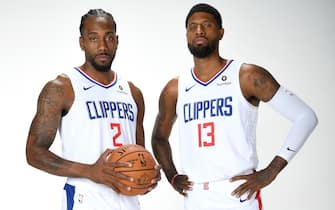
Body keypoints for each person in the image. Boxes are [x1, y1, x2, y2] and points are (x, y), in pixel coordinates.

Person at [151, 3, 318, 210]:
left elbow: (305, 117)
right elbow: (159, 138)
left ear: (220, 32)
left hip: (238, 195)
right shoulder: (175, 88)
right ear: (186, 34)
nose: (199, 31)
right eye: (192, 26)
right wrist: (172, 176)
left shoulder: (247, 76)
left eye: (207, 25)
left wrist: (272, 170)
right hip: (196, 198)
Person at [26, 9, 159, 210]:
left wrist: (146, 173)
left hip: (129, 201)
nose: (103, 46)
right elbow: (34, 152)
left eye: (109, 38)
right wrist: (90, 171)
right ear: (82, 43)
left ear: (117, 41)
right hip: (85, 199)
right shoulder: (62, 88)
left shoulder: (133, 93)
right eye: (94, 38)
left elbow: (139, 152)